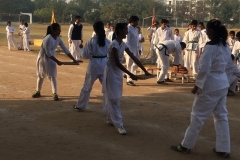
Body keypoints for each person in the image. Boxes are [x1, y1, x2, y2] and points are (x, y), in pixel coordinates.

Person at [171, 19, 231, 158]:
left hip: (210, 85)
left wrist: (197, 85)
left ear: (210, 31)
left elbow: (204, 69)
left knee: (197, 116)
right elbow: (227, 64)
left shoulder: (210, 47)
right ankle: (224, 148)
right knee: (221, 116)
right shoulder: (225, 45)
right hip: (222, 83)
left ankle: (186, 145)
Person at [102, 23, 151, 135]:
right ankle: (119, 124)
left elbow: (134, 57)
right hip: (111, 70)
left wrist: (145, 71)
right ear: (119, 31)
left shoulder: (123, 44)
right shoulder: (114, 44)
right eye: (125, 30)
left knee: (116, 95)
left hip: (117, 72)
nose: (127, 32)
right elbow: (117, 63)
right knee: (113, 96)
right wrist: (131, 74)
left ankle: (110, 118)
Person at [32, 23, 78, 101]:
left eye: (59, 30)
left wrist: (73, 59)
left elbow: (65, 49)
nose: (59, 32)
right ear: (53, 30)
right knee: (41, 75)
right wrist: (57, 61)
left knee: (52, 76)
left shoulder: (58, 38)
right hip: (43, 58)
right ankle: (38, 91)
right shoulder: (47, 38)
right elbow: (48, 53)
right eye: (57, 30)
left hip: (52, 58)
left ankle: (55, 93)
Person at [73, 21, 110, 111]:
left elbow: (86, 55)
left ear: (94, 29)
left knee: (87, 86)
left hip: (93, 65)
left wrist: (82, 49)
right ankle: (108, 107)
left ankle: (81, 105)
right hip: (104, 64)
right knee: (107, 87)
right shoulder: (107, 41)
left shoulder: (91, 40)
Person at [124, 16, 141, 86]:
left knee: (137, 64)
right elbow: (126, 41)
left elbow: (137, 40)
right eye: (136, 21)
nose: (137, 23)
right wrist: (130, 51)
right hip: (129, 50)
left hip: (136, 49)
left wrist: (139, 49)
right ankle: (129, 80)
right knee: (129, 65)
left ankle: (127, 73)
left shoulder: (135, 29)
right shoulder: (127, 28)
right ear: (132, 22)